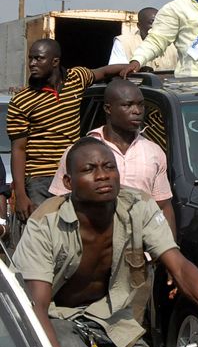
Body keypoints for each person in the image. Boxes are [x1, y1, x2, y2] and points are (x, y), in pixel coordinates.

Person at [12, 137, 198, 347]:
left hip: (112, 318)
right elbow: (37, 305)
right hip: (55, 317)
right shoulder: (45, 221)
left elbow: (179, 266)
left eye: (109, 167)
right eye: (89, 169)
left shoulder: (138, 205)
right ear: (68, 182)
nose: (103, 175)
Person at [6, 39, 130, 221]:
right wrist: (21, 194)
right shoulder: (22, 101)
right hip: (41, 177)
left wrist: (132, 67)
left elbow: (103, 71)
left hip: (72, 173)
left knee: (77, 232)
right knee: (45, 234)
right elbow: (18, 149)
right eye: (30, 58)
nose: (32, 63)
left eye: (38, 59)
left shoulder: (76, 78)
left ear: (55, 62)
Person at [48, 79, 175, 236]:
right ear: (108, 108)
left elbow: (163, 206)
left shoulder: (154, 152)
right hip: (90, 243)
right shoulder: (79, 152)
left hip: (139, 247)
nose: (137, 111)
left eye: (141, 105)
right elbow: (58, 203)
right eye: (127, 105)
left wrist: (168, 250)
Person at [108, 7, 178, 71]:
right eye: (152, 23)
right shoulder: (124, 43)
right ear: (139, 26)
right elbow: (116, 72)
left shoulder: (173, 43)